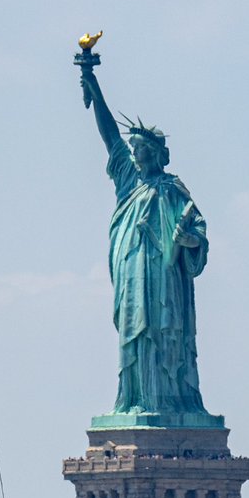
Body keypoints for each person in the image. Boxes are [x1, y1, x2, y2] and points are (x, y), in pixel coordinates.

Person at [81, 68, 209, 417]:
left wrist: (190, 239)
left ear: (154, 153)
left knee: (165, 334)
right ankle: (135, 398)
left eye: (140, 149)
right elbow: (110, 138)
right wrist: (94, 86)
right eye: (133, 149)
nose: (134, 153)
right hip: (132, 273)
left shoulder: (173, 190)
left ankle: (169, 400)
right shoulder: (127, 180)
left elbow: (198, 229)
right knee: (135, 332)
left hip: (165, 278)